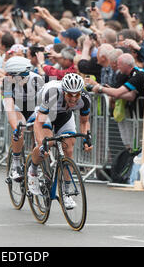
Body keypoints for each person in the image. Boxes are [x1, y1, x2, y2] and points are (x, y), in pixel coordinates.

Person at [29, 73, 93, 209]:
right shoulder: (52, 93)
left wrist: (87, 138)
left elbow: (84, 122)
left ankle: (66, 193)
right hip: (46, 114)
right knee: (48, 142)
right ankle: (32, 170)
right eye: (70, 94)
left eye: (77, 94)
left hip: (64, 116)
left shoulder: (85, 98)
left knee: (69, 149)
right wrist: (42, 144)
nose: (74, 98)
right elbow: (38, 124)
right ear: (64, 91)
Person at [2, 56, 46, 181]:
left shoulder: (37, 80)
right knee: (19, 128)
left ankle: (34, 163)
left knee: (38, 129)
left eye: (10, 74)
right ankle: (16, 164)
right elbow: (10, 107)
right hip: (17, 107)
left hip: (34, 107)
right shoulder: (7, 82)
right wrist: (15, 127)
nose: (7, 76)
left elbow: (43, 106)